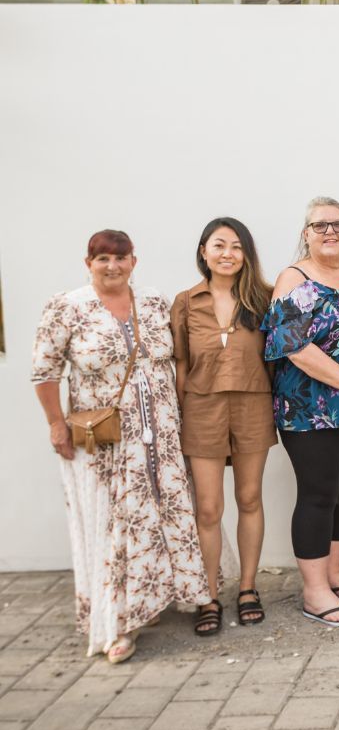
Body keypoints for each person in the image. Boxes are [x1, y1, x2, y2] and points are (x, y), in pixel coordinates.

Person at [32, 230, 209, 663]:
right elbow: (44, 372)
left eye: (120, 257)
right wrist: (56, 424)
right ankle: (119, 623)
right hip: (106, 442)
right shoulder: (68, 307)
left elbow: (173, 360)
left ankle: (157, 599)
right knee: (117, 527)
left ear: (134, 261)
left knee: (162, 515)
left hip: (161, 436)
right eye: (102, 258)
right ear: (88, 263)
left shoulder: (153, 301)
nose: (112, 266)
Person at [262, 197, 339, 628]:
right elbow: (293, 346)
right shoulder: (294, 278)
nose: (330, 231)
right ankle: (314, 592)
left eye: (338, 224)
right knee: (317, 495)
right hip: (309, 408)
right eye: (320, 225)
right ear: (306, 234)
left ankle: (333, 575)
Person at [171, 218, 276, 635]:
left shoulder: (264, 299)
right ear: (204, 251)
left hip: (253, 405)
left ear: (246, 254)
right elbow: (181, 365)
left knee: (249, 497)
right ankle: (209, 594)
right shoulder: (185, 302)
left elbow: (275, 360)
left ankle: (248, 588)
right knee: (208, 508)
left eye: (236, 246)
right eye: (219, 245)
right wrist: (180, 415)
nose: (228, 254)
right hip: (202, 409)